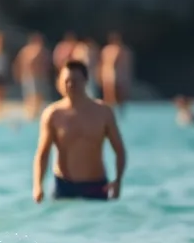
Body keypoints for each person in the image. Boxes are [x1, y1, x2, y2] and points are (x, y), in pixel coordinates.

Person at [33, 61, 127, 202]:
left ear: (86, 81)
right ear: (59, 82)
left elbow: (119, 150)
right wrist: (38, 186)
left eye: (75, 81)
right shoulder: (52, 114)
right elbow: (43, 153)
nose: (70, 85)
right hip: (64, 187)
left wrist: (118, 181)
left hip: (96, 186)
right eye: (66, 81)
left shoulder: (103, 112)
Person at [14, 32, 51, 119]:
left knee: (40, 94)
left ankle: (37, 110)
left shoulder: (43, 51)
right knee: (30, 94)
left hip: (40, 76)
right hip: (30, 76)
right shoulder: (27, 51)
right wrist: (18, 73)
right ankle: (31, 110)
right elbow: (21, 62)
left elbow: (47, 64)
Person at [101, 32, 133, 113]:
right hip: (113, 75)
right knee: (112, 95)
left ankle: (112, 110)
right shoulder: (118, 50)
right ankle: (114, 110)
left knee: (112, 95)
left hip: (111, 75)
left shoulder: (108, 50)